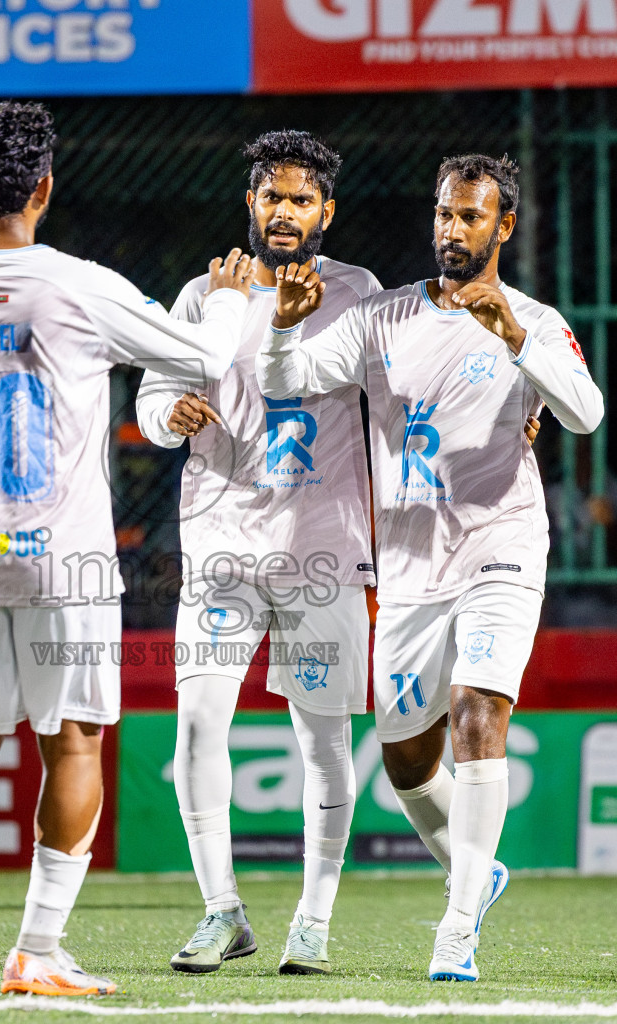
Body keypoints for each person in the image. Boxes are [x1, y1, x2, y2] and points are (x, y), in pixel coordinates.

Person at [0, 101, 253, 998]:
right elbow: (204, 354)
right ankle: (35, 951)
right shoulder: (78, 284)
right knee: (74, 745)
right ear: (46, 186)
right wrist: (227, 302)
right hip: (61, 556)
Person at [260, 154, 604, 982]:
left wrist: (517, 341)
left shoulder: (535, 318)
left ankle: (456, 927)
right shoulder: (382, 318)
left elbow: (585, 414)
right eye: (445, 214)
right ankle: (477, 874)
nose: (453, 230)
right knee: (407, 762)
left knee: (478, 716)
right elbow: (292, 381)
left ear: (503, 227)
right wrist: (281, 328)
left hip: (502, 550)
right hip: (410, 571)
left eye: (471, 217)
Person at [134, 130, 381, 977]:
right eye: (272, 197)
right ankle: (222, 911)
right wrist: (170, 415)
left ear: (326, 212)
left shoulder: (359, 293)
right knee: (199, 724)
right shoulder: (206, 294)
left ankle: (311, 920)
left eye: (301, 199)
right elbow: (152, 395)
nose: (285, 211)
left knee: (323, 745)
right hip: (221, 549)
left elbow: (404, 390)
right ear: (251, 204)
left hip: (322, 552)